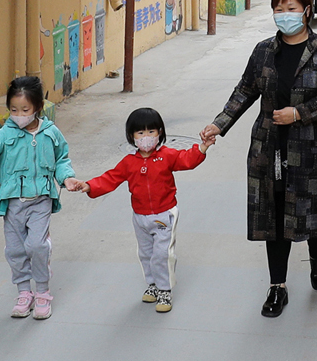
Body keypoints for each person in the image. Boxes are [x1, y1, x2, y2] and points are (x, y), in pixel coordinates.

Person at [200, 0, 317, 318]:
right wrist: (219, 124)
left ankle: (316, 257)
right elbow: (245, 90)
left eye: (291, 9)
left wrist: (299, 113)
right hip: (270, 147)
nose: (284, 15)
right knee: (275, 216)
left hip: (310, 147)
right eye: (279, 10)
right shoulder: (264, 50)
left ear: (307, 11)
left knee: (313, 213)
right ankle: (277, 286)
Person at [66, 107, 213, 313]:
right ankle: (152, 284)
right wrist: (89, 185)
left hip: (164, 214)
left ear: (160, 132)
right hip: (140, 216)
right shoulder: (129, 162)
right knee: (146, 253)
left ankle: (164, 290)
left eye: (151, 131)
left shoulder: (167, 156)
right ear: (131, 136)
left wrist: (202, 148)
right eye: (140, 132)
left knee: (162, 254)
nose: (146, 137)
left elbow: (187, 159)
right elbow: (110, 178)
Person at [0, 76, 74, 319]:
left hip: (41, 199)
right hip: (12, 201)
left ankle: (43, 292)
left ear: (38, 107)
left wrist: (67, 178)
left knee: (37, 245)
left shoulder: (51, 133)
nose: (19, 115)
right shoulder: (4, 134)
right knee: (15, 250)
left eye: (25, 110)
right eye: (14, 109)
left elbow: (62, 158)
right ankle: (24, 292)